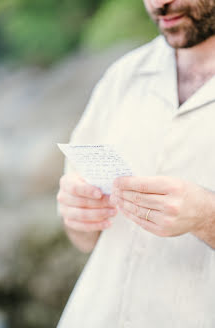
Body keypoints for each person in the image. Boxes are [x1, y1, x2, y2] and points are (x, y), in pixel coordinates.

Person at [57, 0, 215, 327]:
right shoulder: (122, 76)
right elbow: (83, 239)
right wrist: (77, 214)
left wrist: (206, 217)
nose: (159, 3)